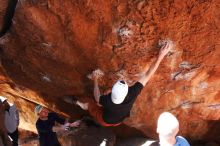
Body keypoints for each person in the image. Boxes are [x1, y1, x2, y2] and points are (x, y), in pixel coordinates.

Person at [71, 42, 172, 126]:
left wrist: (95, 79)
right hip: (118, 121)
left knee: (91, 104)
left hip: (104, 120)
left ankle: (79, 103)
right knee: (102, 98)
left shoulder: (107, 101)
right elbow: (148, 74)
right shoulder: (133, 93)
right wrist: (161, 56)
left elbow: (97, 97)